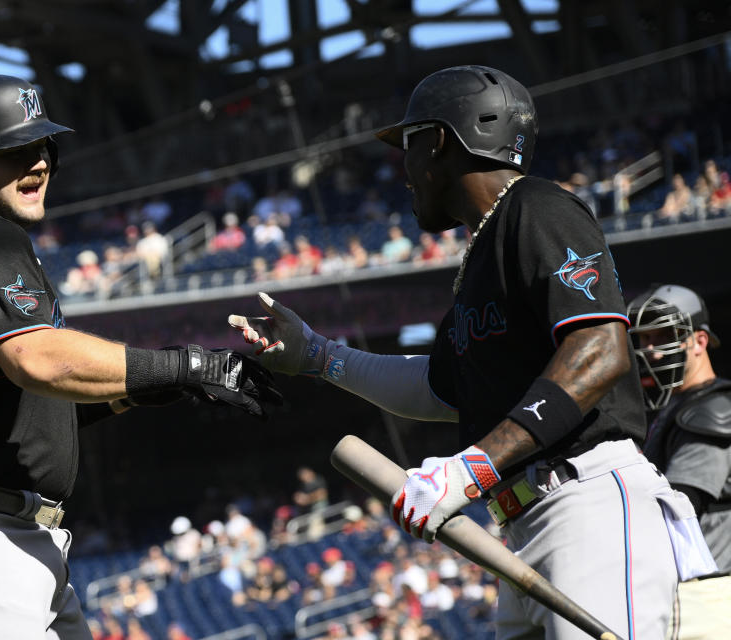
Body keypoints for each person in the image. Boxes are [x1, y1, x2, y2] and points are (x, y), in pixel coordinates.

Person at [229, 65, 710, 639]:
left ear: (436, 141)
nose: (403, 171)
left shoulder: (537, 207)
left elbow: (601, 350)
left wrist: (471, 468)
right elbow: (437, 390)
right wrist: (316, 355)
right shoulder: (481, 258)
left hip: (590, 507)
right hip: (524, 527)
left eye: (407, 146)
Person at [0, 74, 281, 640]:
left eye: (43, 147)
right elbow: (37, 359)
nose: (37, 164)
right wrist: (187, 364)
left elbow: (26, 406)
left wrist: (146, 385)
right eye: (14, 151)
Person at [627, 284, 731, 638]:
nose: (650, 351)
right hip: (689, 592)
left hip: (709, 595)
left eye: (663, 338)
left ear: (699, 342)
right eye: (643, 340)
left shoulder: (713, 410)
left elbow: (681, 510)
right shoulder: (674, 409)